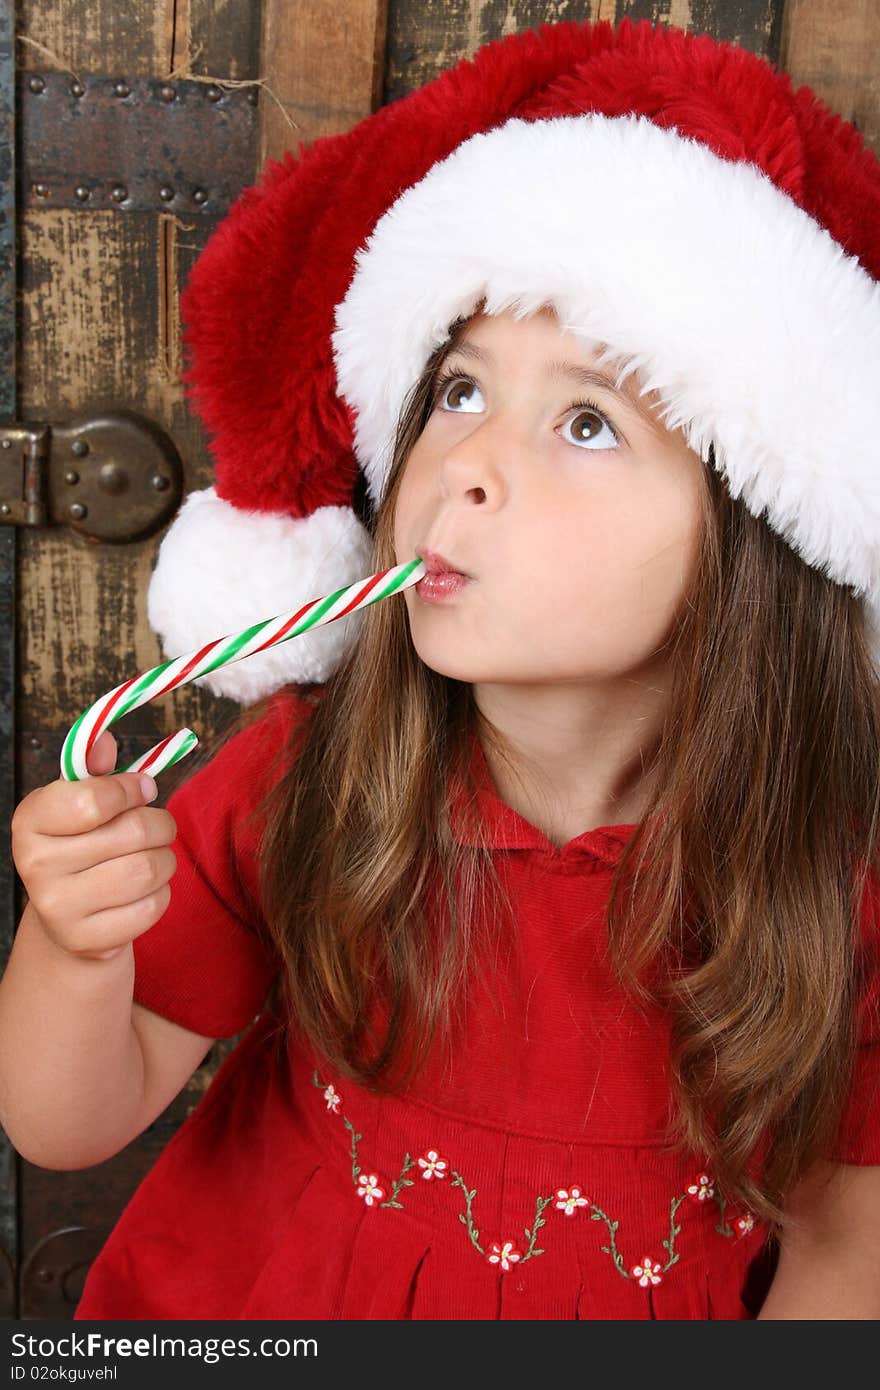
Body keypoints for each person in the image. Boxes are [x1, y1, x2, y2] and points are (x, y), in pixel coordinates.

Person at [3, 15, 880, 1320]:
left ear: (755, 536)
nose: (466, 461)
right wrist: (74, 950)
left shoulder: (836, 865)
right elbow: (64, 1123)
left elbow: (845, 1256)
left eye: (586, 420)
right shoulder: (312, 775)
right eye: (459, 390)